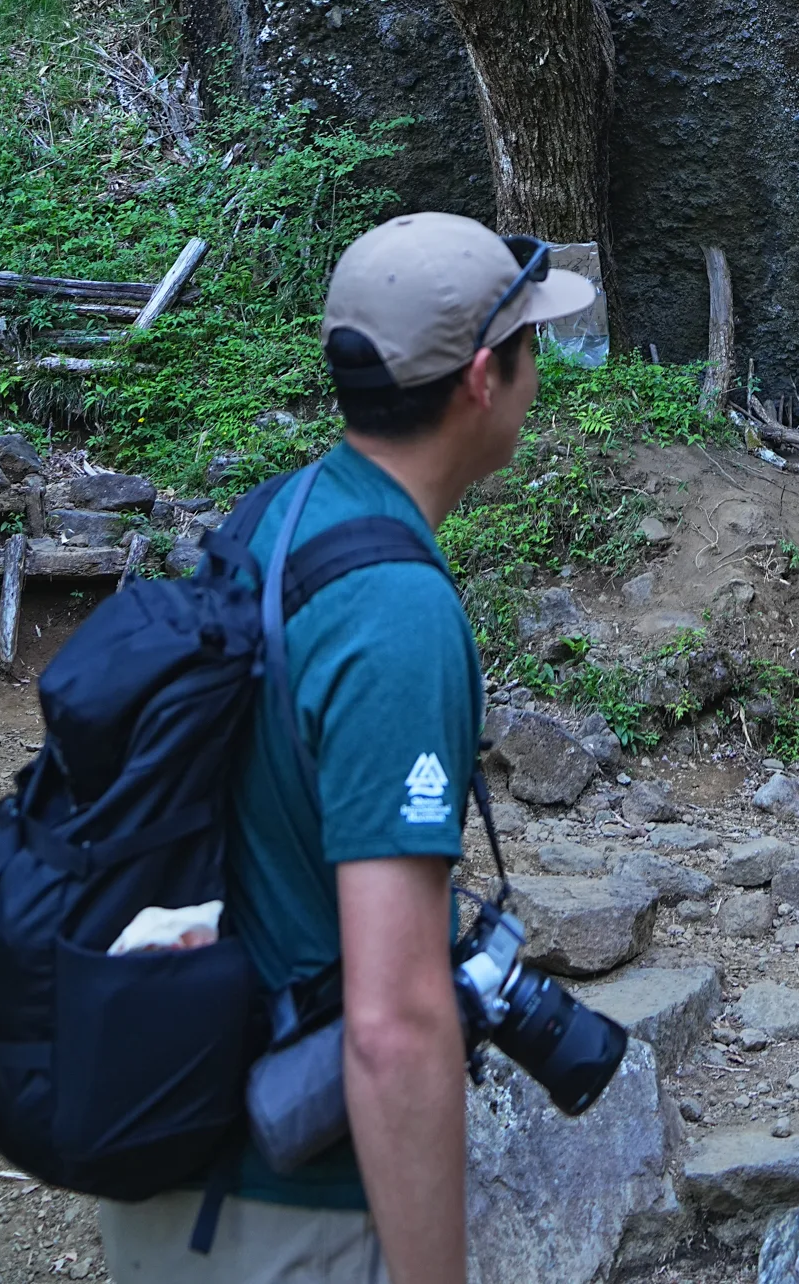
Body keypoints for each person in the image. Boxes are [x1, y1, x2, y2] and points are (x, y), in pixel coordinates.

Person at [96, 213, 595, 1284]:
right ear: (480, 380)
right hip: (290, 1215)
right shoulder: (394, 615)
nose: (536, 375)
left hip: (183, 1173)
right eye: (530, 349)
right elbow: (393, 1021)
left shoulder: (281, 516)